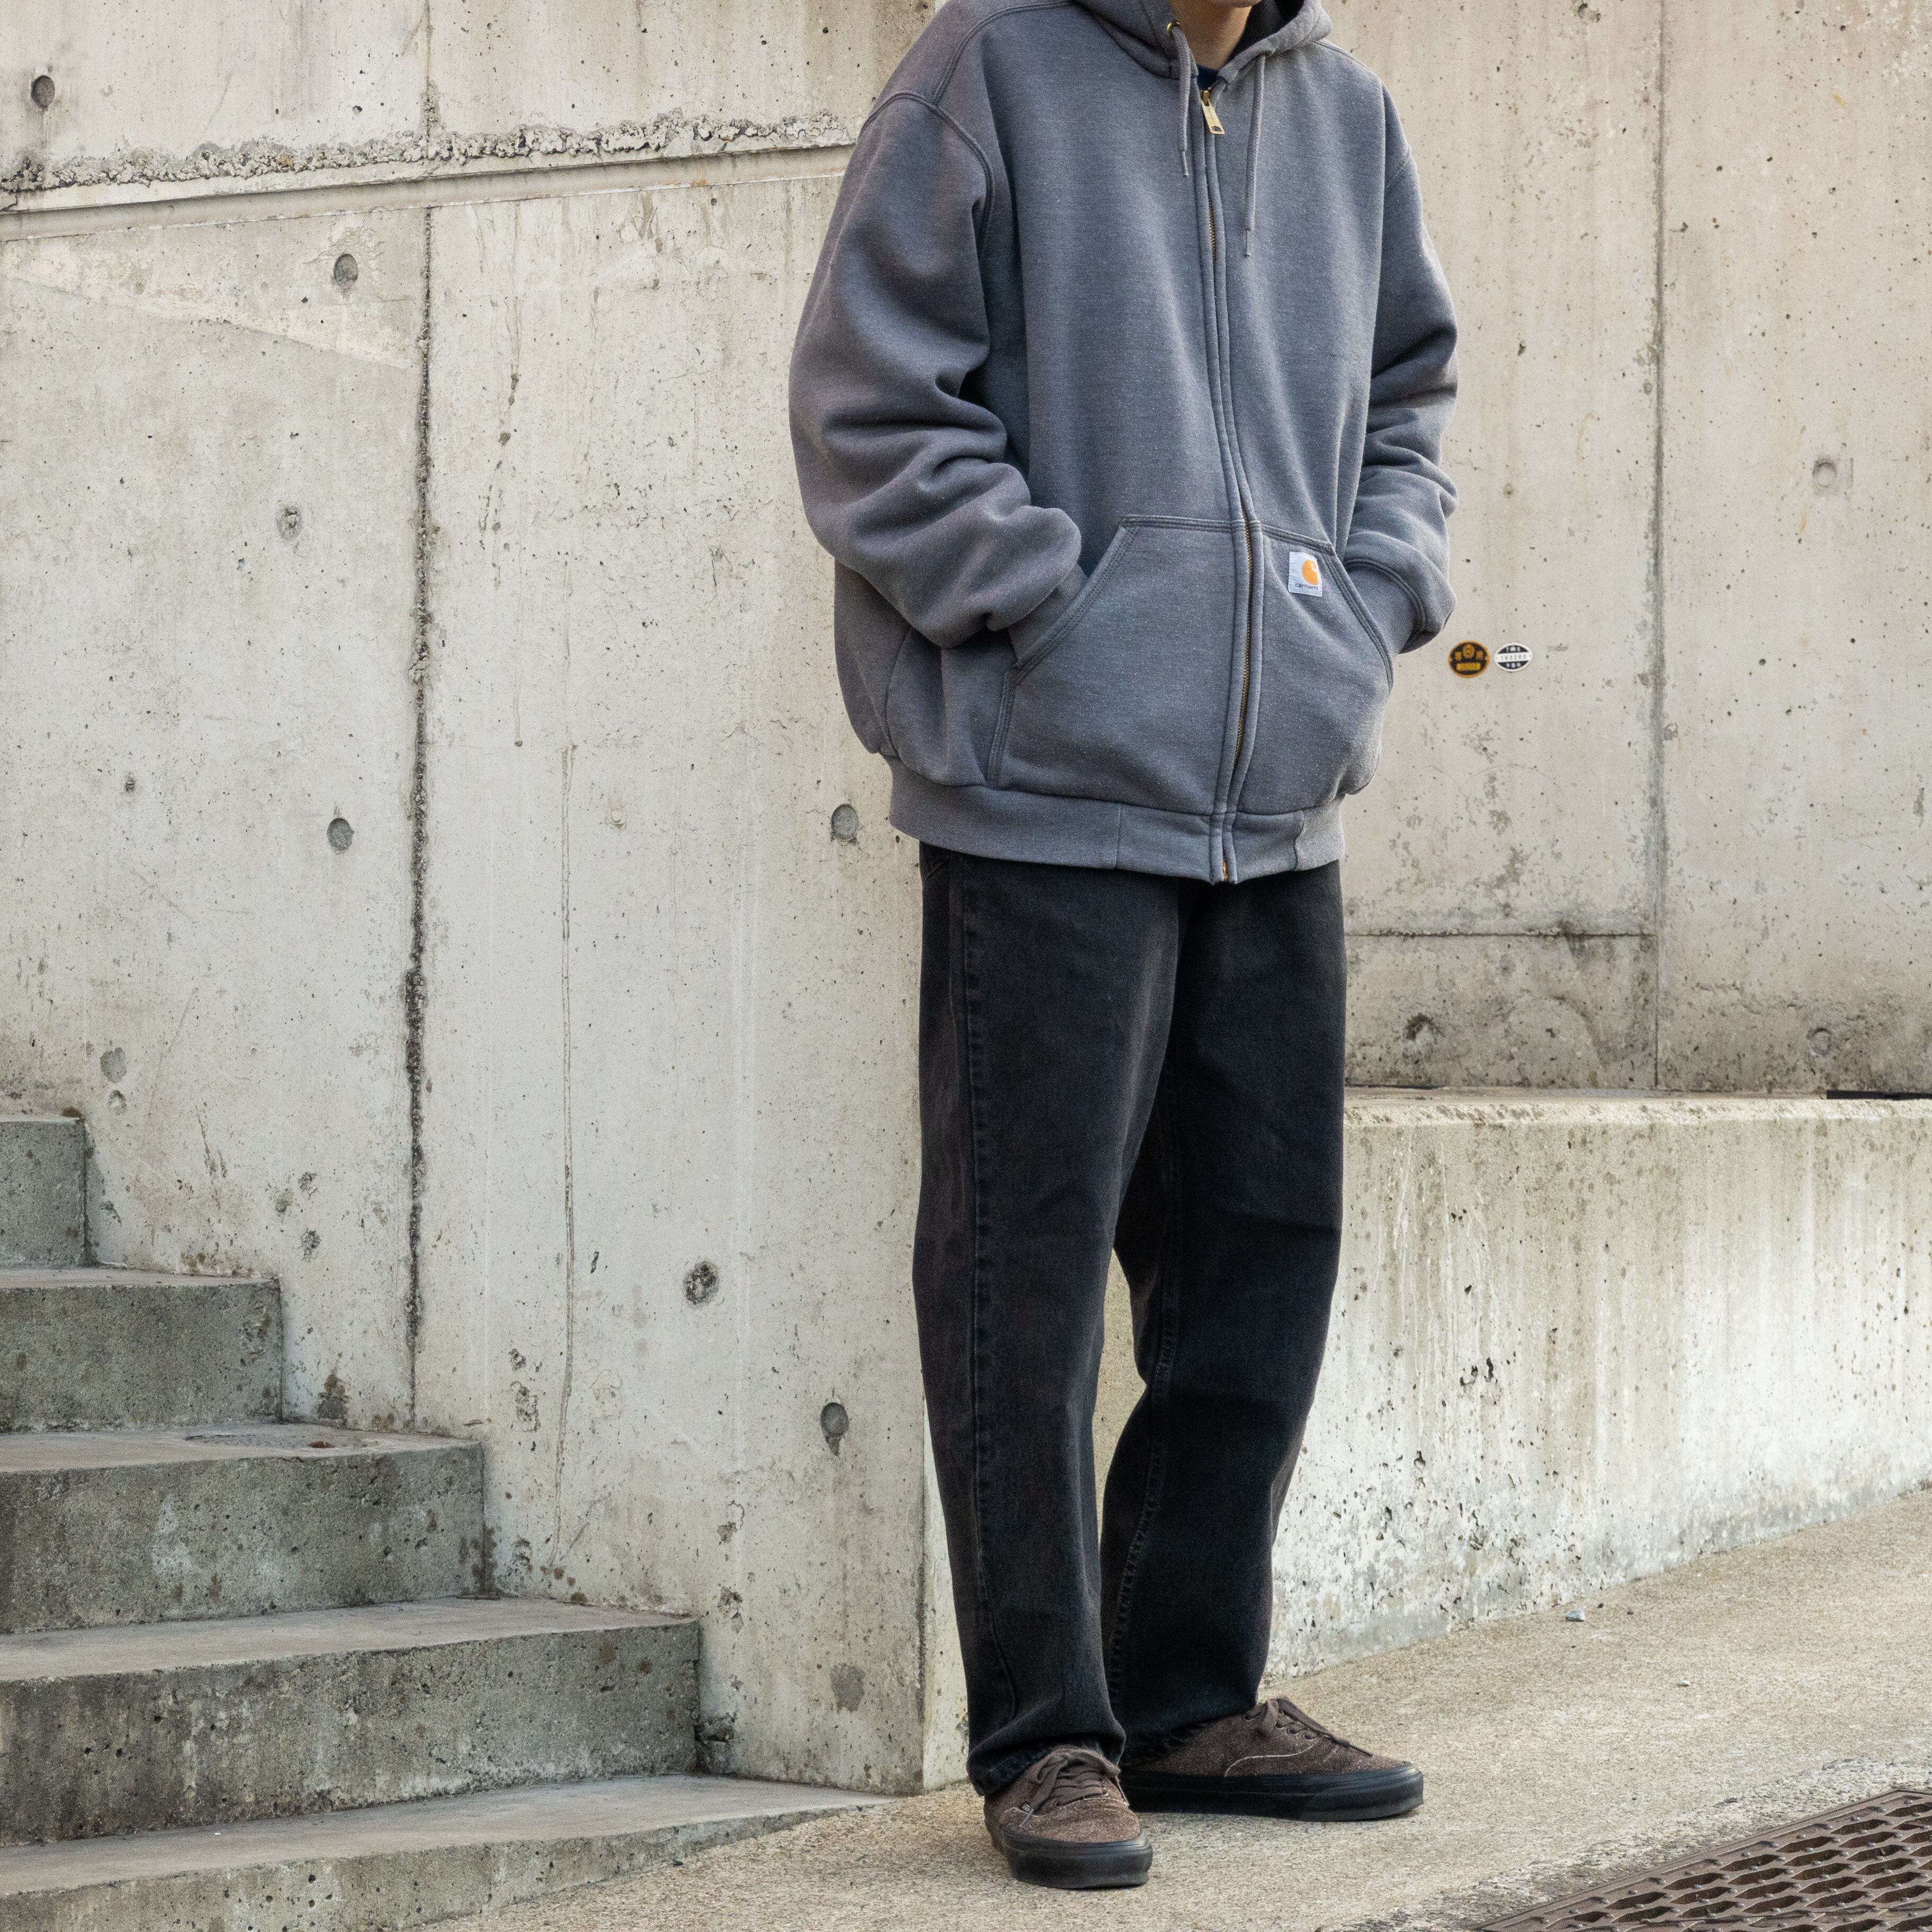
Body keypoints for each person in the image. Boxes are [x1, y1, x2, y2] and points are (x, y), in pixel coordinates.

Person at [790, 0, 1456, 1891]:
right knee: (1021, 1282)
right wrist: (1050, 610)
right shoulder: (988, 69)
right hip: (1047, 796)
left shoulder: (1346, 114)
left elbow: (1409, 397)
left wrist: (1362, 605)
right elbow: (867, 402)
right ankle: (1046, 1736)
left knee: (1260, 1265)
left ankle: (1184, 1698)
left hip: (1275, 804)